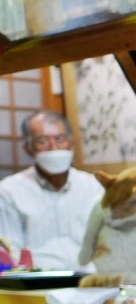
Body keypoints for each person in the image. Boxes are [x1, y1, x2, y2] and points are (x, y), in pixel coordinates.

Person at [0, 110, 103, 271]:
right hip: (36, 284)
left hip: (90, 281)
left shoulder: (93, 187)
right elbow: (10, 253)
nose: (53, 147)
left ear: (72, 143)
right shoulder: (8, 191)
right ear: (28, 148)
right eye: (43, 141)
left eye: (60, 139)